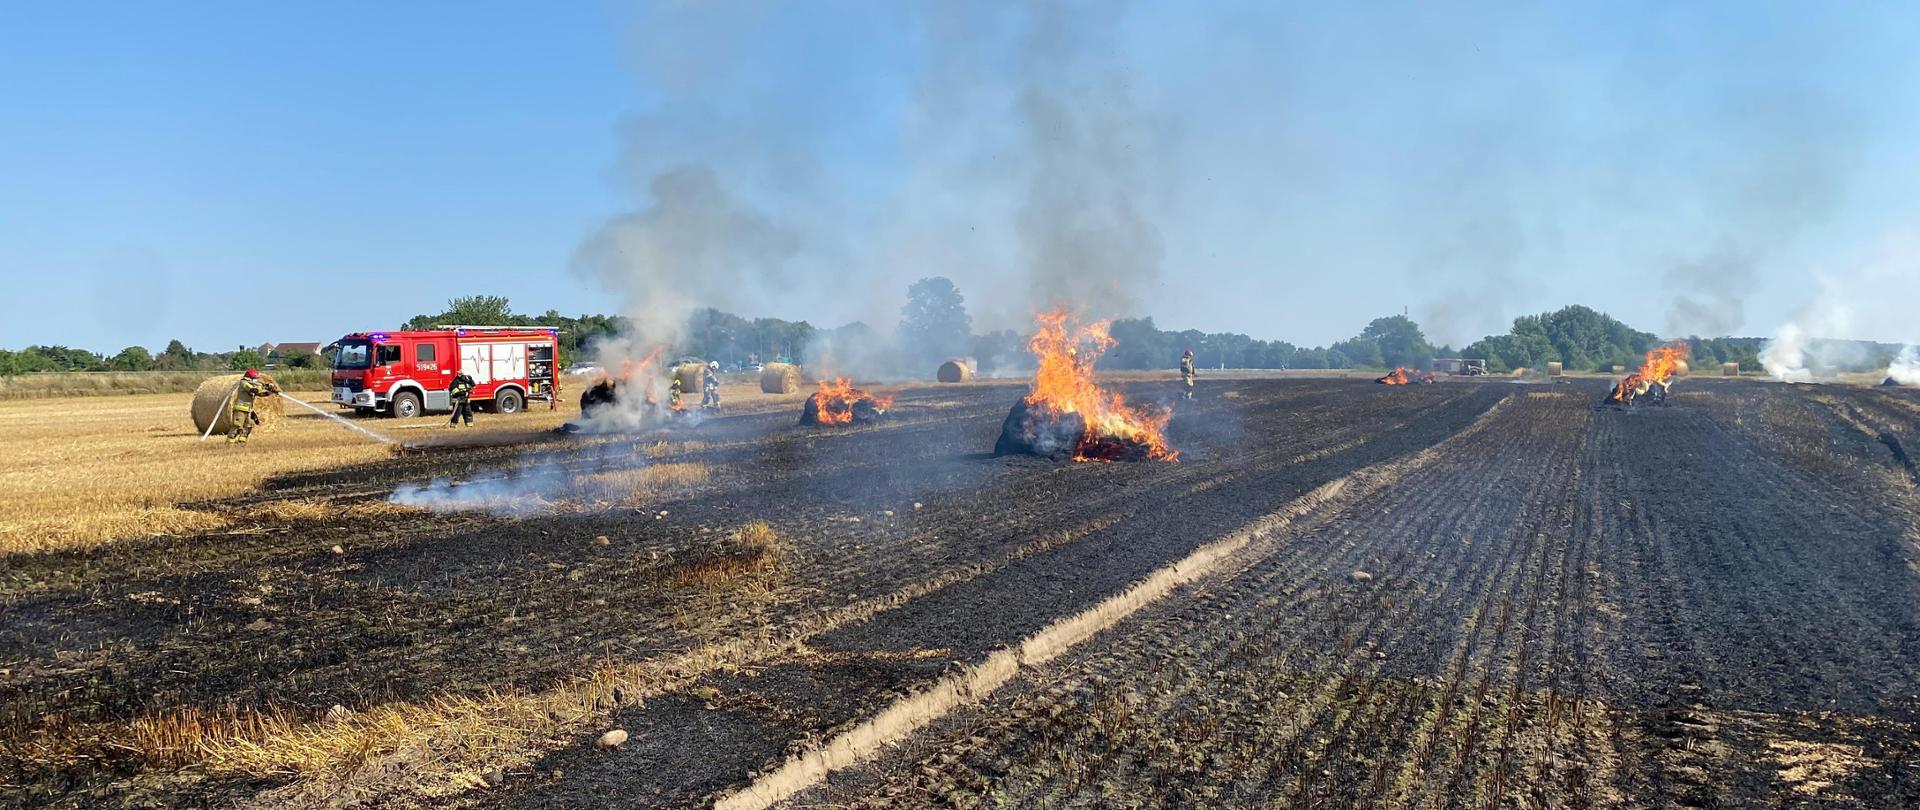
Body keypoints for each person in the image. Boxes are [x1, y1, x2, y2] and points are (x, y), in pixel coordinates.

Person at [226, 369, 279, 444]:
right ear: (250, 378)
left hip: (248, 409)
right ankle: (229, 443)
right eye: (255, 378)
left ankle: (241, 442)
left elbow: (260, 393)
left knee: (248, 427)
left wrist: (269, 392)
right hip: (240, 408)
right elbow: (254, 390)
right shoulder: (243, 383)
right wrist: (264, 386)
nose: (256, 380)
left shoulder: (253, 384)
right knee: (237, 427)